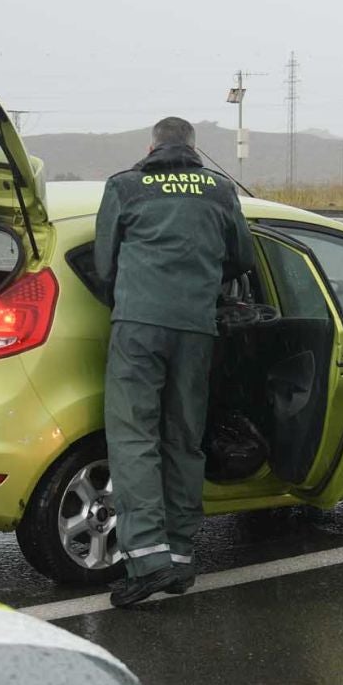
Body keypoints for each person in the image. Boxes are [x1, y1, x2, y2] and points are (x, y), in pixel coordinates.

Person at [95, 117, 255, 607]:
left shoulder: (126, 186)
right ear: (193, 149)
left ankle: (147, 560)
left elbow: (104, 265)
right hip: (197, 328)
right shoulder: (219, 189)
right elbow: (242, 258)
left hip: (139, 326)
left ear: (152, 147)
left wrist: (134, 296)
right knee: (184, 439)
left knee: (134, 437)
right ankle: (181, 558)